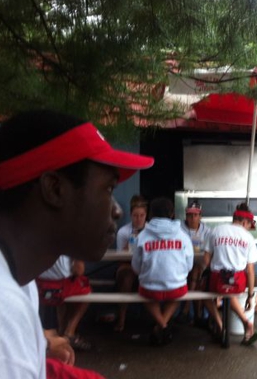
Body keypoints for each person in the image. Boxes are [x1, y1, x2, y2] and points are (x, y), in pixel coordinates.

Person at [0, 109, 154, 379]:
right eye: (108, 189)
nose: (117, 211)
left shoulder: (19, 279)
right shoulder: (5, 312)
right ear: (55, 189)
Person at [131, 197, 194, 346]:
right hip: (176, 288)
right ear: (172, 214)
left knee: (146, 295)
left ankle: (160, 325)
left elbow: (135, 266)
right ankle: (163, 326)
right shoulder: (183, 236)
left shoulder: (143, 236)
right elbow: (189, 265)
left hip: (149, 289)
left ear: (151, 215)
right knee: (177, 297)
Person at [204, 202, 257, 346]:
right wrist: (250, 295)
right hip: (238, 283)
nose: (249, 228)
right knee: (228, 293)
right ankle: (246, 323)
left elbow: (206, 259)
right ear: (244, 222)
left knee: (204, 295)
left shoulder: (216, 230)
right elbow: (250, 270)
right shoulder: (248, 238)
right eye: (249, 225)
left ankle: (220, 325)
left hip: (217, 281)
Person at [37, 256, 92, 350]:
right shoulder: (72, 241)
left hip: (38, 286)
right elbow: (79, 270)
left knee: (68, 294)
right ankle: (69, 333)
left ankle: (61, 332)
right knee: (85, 294)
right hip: (60, 286)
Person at [114, 194, 148, 332]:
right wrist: (127, 247)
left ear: (146, 215)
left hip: (146, 266)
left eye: (141, 215)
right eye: (135, 215)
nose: (138, 219)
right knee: (127, 277)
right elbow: (119, 259)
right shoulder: (124, 232)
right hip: (127, 265)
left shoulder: (151, 230)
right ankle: (121, 318)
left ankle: (155, 320)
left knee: (155, 274)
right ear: (130, 215)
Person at [178, 200, 211, 325]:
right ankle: (197, 315)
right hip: (182, 264)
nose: (192, 218)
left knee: (197, 270)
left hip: (201, 264)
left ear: (200, 216)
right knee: (195, 272)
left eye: (195, 215)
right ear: (186, 215)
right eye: (190, 215)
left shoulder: (206, 231)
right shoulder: (179, 227)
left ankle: (187, 309)